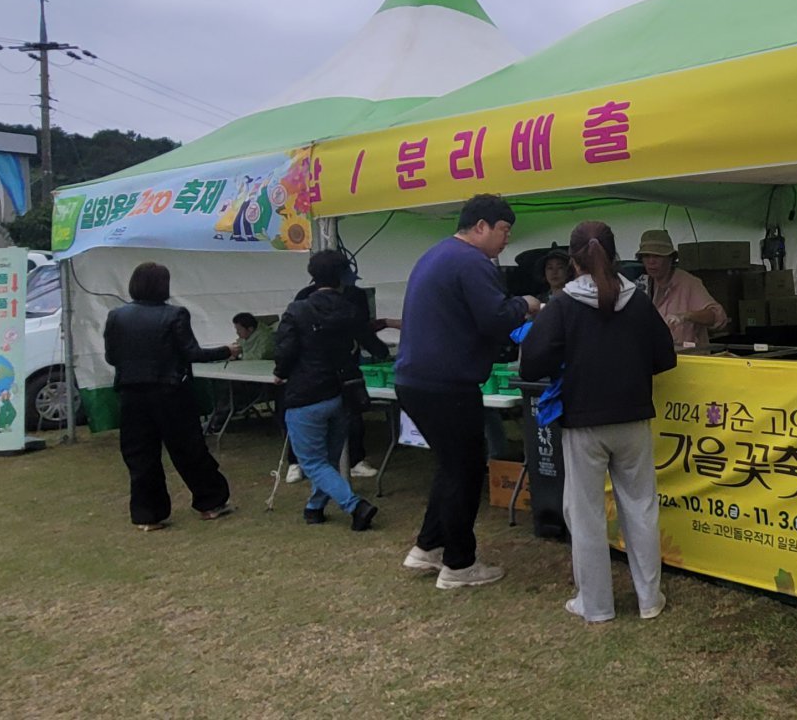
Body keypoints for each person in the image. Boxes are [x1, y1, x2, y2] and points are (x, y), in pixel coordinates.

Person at [520, 221, 676, 622]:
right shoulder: (637, 300)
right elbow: (666, 357)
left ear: (573, 262)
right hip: (633, 418)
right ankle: (649, 600)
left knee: (585, 513)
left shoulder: (563, 306)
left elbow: (532, 361)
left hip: (583, 422)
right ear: (615, 254)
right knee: (641, 508)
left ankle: (596, 605)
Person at [396, 193, 542, 589]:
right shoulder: (472, 262)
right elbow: (494, 318)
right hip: (446, 384)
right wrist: (527, 304)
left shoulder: (436, 254)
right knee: (465, 470)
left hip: (415, 380)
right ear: (480, 226)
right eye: (503, 231)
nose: (505, 241)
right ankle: (459, 565)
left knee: (450, 465)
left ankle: (427, 547)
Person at [103, 261, 239, 531]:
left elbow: (111, 357)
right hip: (170, 393)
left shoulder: (116, 316)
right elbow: (192, 353)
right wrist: (227, 350)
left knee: (140, 455)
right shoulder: (176, 314)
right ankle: (210, 503)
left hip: (131, 393)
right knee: (188, 449)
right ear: (163, 286)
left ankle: (148, 515)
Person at [273, 250, 381, 531]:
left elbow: (285, 350)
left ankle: (355, 506)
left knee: (311, 462)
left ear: (312, 275)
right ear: (343, 277)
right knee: (329, 459)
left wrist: (280, 374)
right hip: (342, 393)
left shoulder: (297, 310)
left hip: (306, 393)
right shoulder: (352, 309)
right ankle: (314, 508)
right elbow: (373, 345)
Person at [635, 229, 728, 345]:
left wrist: (686, 316)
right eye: (646, 256)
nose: (651, 261)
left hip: (688, 359)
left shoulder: (689, 283)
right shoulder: (641, 284)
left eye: (657, 256)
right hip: (655, 359)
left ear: (670, 258)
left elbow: (717, 317)